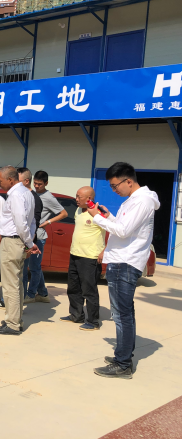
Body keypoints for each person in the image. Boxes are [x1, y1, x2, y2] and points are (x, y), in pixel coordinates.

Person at [89, 162, 160, 379]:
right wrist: (108, 216)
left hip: (125, 263)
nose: (114, 190)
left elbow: (123, 231)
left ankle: (123, 364)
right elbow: (123, 227)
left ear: (128, 181)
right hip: (121, 261)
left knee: (122, 316)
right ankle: (123, 356)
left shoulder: (142, 201)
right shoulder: (133, 200)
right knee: (123, 314)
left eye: (115, 186)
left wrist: (96, 217)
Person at [0, 166, 40, 336]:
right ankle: (15, 319)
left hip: (12, 241)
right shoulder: (27, 193)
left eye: (0, 180)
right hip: (18, 241)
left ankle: (12, 323)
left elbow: (21, 222)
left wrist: (28, 243)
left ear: (10, 180)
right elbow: (32, 222)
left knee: (10, 284)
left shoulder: (16, 195)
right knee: (16, 283)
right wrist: (28, 242)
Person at [60, 186, 105, 331]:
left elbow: (113, 231)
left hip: (90, 257)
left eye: (79, 197)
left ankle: (93, 321)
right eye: (76, 196)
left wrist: (104, 251)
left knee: (89, 290)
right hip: (75, 254)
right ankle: (76, 315)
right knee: (73, 287)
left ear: (89, 199)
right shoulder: (79, 211)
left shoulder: (99, 213)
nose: (76, 199)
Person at [27, 170, 68, 303]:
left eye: (39, 184)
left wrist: (48, 222)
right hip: (30, 235)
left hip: (39, 237)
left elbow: (64, 213)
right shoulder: (31, 194)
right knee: (35, 267)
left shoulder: (49, 197)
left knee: (34, 267)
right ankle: (43, 294)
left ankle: (31, 294)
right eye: (35, 183)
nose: (36, 186)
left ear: (46, 183)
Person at [17, 167, 44, 300]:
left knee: (23, 271)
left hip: (26, 241)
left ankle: (21, 299)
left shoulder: (34, 199)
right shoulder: (18, 195)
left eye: (18, 180)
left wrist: (29, 243)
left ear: (26, 181)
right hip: (17, 239)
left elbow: (34, 223)